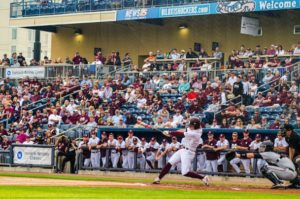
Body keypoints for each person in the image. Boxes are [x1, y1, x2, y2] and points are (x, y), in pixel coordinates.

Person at [153, 118, 209, 185]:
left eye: (191, 125)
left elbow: (182, 133)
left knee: (185, 172)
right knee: (170, 163)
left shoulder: (195, 133)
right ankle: (158, 178)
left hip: (189, 153)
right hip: (183, 149)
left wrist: (170, 132)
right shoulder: (195, 128)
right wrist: (171, 133)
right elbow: (184, 130)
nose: (190, 126)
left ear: (195, 126)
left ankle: (203, 178)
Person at [225, 141, 297, 189]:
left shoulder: (268, 153)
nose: (261, 148)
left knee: (264, 168)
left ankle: (279, 183)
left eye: (263, 147)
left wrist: (237, 155)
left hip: (288, 172)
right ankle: (296, 183)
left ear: (267, 148)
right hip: (292, 173)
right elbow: (254, 151)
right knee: (268, 167)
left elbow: (252, 155)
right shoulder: (273, 153)